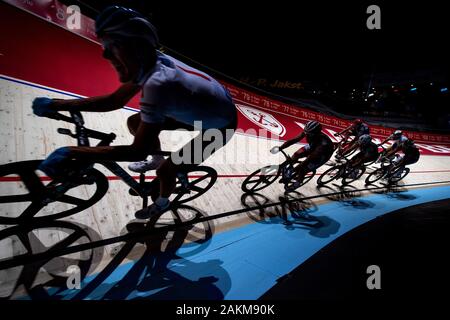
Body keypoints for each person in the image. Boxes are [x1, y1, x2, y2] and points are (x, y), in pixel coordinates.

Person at [31, 6, 237, 218]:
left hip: (220, 128)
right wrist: (58, 104)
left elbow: (137, 150)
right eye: (104, 46)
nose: (105, 54)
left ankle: (162, 203)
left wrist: (72, 152)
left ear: (137, 46)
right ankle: (156, 159)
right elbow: (115, 100)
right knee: (134, 121)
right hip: (207, 109)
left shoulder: (159, 85)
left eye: (113, 45)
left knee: (166, 170)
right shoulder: (150, 62)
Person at [271, 120, 334, 191]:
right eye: (306, 132)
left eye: (309, 133)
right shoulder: (308, 132)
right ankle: (290, 170)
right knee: (296, 154)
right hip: (313, 146)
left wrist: (300, 166)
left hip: (322, 155)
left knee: (302, 169)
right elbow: (293, 140)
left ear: (316, 133)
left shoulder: (324, 144)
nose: (306, 134)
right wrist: (280, 148)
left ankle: (298, 183)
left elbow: (310, 158)